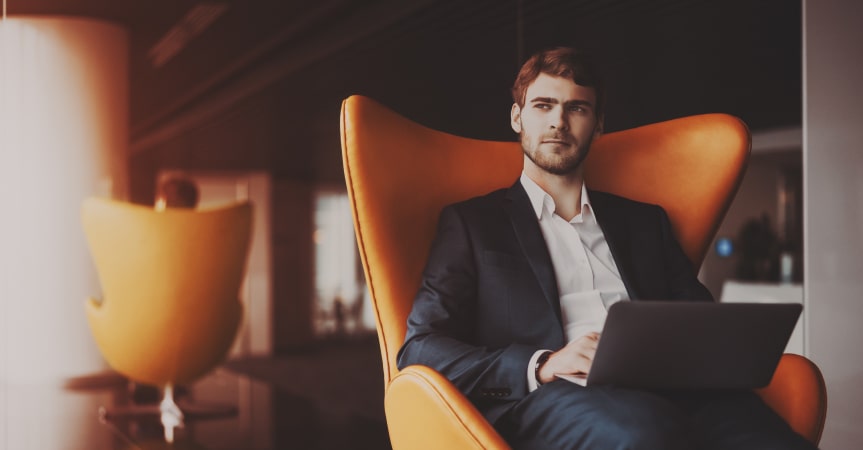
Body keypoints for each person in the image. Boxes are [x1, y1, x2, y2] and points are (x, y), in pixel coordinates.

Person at [397, 47, 815, 449]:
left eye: (576, 108)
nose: (559, 121)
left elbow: (697, 318)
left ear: (597, 125)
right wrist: (543, 364)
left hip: (679, 389)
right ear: (517, 118)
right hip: (556, 397)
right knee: (643, 432)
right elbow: (420, 346)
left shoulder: (646, 223)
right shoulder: (472, 224)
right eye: (543, 105)